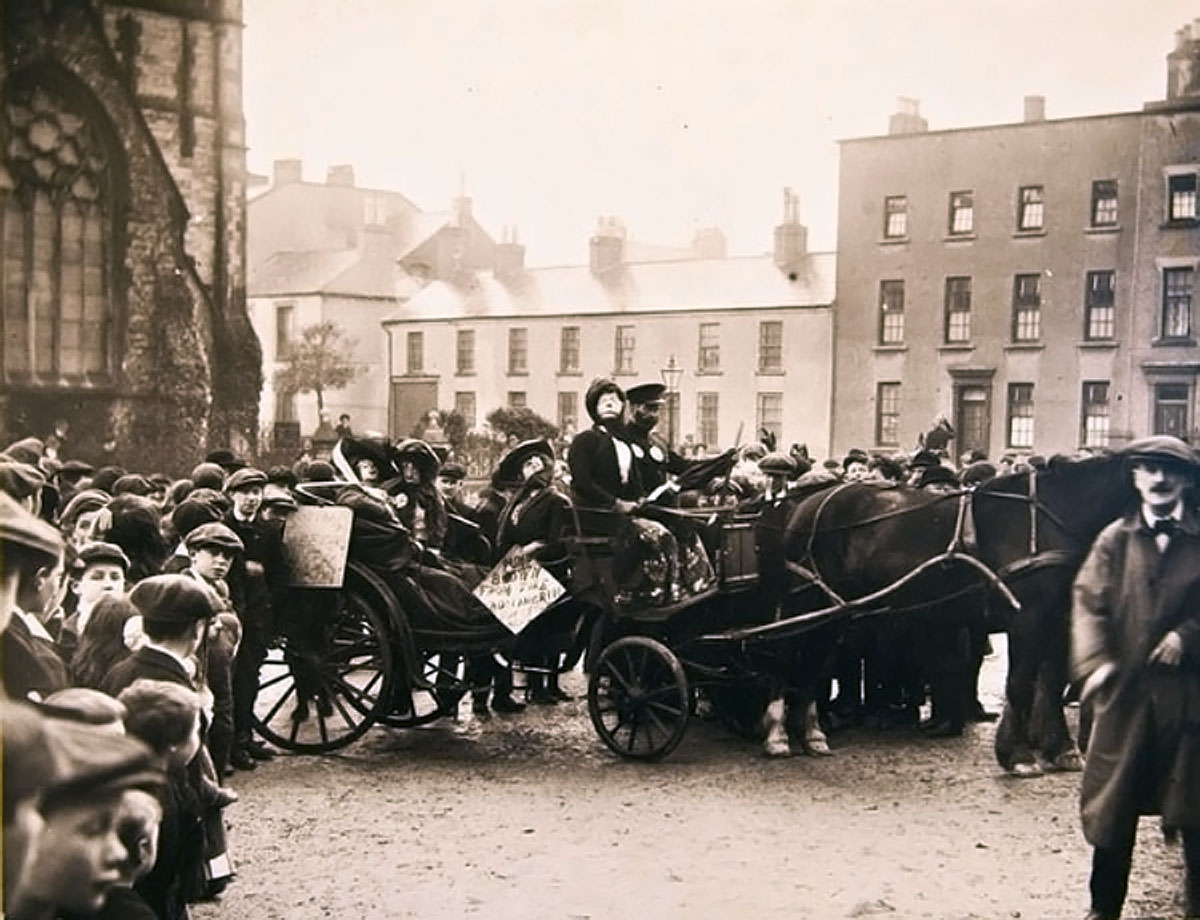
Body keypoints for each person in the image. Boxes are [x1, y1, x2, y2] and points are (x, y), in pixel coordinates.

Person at [1071, 435, 1200, 920]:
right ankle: (1103, 911)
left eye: (1171, 470)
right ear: (1136, 478)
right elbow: (1088, 602)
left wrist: (1189, 636)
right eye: (1149, 468)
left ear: (1187, 479)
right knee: (1112, 812)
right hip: (1125, 699)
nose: (1160, 479)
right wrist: (1096, 661)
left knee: (1194, 811)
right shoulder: (1114, 540)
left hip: (1189, 700)